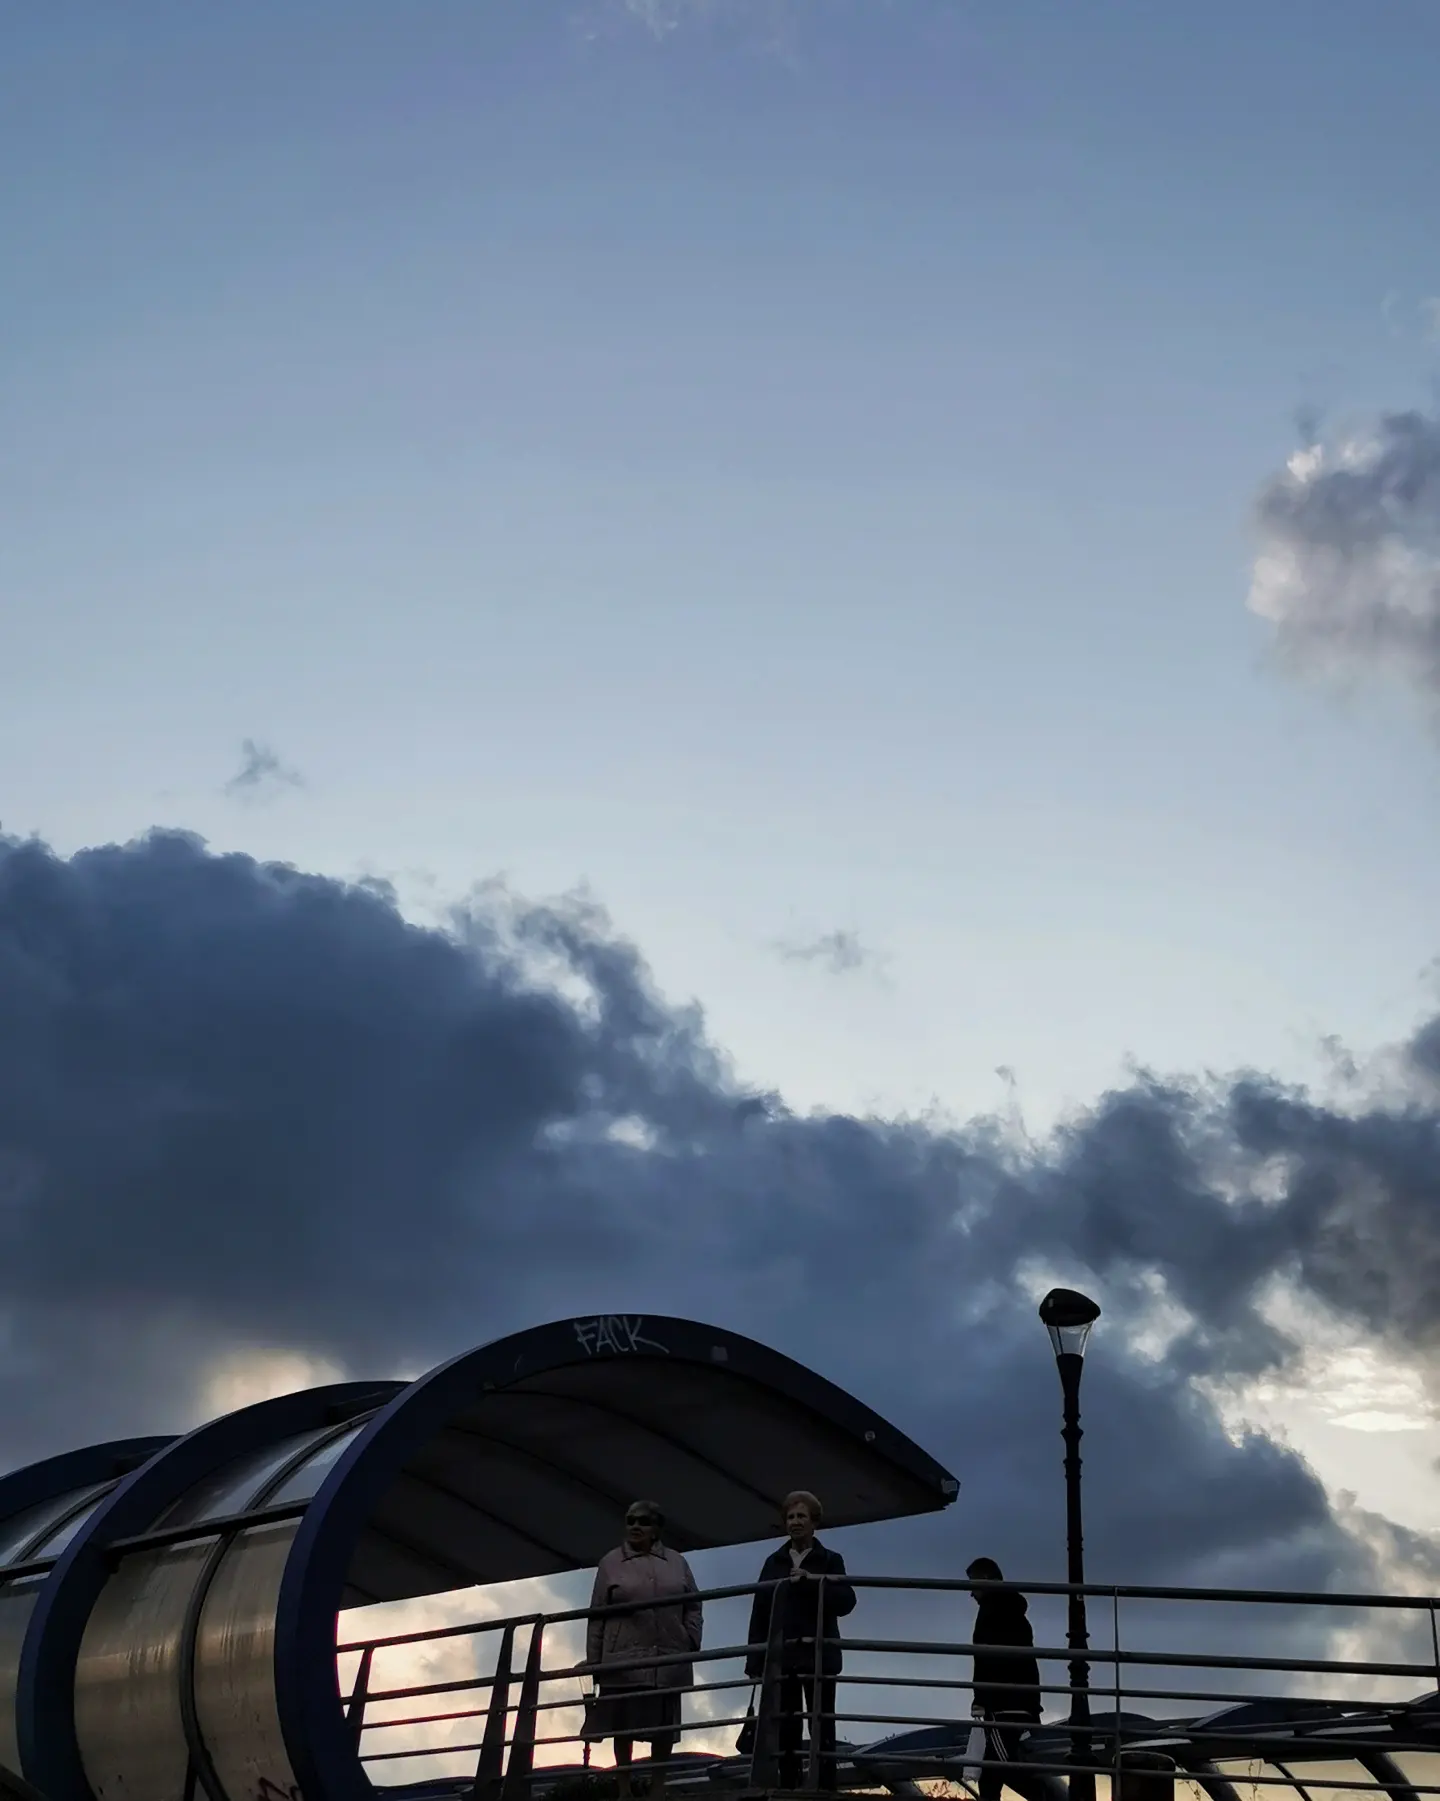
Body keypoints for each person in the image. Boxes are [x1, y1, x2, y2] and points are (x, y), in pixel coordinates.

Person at [582, 1500, 702, 1799]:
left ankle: (657, 1788)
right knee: (623, 1727)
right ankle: (625, 1790)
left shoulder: (677, 1562)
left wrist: (690, 1639)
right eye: (631, 1520)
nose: (636, 1526)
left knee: (664, 1726)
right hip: (623, 1659)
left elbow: (694, 1604)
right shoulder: (610, 1563)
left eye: (644, 1521)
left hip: (668, 1656)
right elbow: (597, 1614)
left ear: (657, 1529)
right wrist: (596, 1664)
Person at [744, 1491, 856, 1793]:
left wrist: (813, 1583)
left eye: (801, 1516)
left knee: (822, 1721)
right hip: (785, 1654)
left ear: (814, 1522)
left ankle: (824, 1785)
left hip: (820, 1654)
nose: (794, 1522)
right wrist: (754, 1659)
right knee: (788, 1723)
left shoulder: (831, 1560)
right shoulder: (774, 1562)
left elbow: (846, 1601)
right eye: (790, 1517)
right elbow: (760, 1609)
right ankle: (790, 1783)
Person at [967, 1557, 1046, 1801]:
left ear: (986, 1579)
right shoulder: (1011, 1611)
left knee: (999, 1769)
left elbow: (987, 1660)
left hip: (1004, 1705)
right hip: (1017, 1703)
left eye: (973, 1585)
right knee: (994, 1772)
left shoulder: (992, 1611)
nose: (971, 1593)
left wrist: (982, 1699)